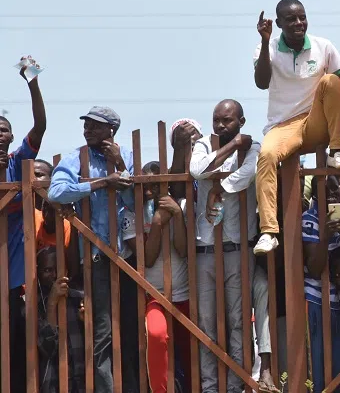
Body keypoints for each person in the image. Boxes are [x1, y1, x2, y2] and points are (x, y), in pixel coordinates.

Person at [254, 0, 340, 255]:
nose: (299, 23)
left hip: (314, 123)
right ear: (278, 24)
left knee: (332, 81)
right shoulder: (268, 47)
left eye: (302, 17)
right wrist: (265, 41)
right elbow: (262, 82)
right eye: (291, 19)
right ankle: (269, 232)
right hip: (283, 127)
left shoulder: (324, 47)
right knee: (265, 155)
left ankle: (336, 151)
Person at [189, 99, 277, 393]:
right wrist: (231, 145)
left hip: (238, 250)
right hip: (204, 252)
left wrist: (218, 188)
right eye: (217, 120)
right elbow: (197, 171)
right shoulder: (203, 144)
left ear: (241, 120)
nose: (220, 126)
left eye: (227, 121)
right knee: (205, 325)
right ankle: (211, 387)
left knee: (238, 323)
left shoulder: (253, 149)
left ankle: (238, 384)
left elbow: (246, 176)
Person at [50, 106, 135, 393]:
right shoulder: (77, 158)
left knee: (131, 328)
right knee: (103, 333)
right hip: (97, 256)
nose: (88, 130)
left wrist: (120, 164)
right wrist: (101, 183)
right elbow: (56, 192)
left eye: (95, 126)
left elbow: (137, 204)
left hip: (127, 256)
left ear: (111, 131)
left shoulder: (128, 157)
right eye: (86, 125)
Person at [121, 161, 191, 393]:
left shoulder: (180, 205)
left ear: (167, 184)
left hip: (185, 292)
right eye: (144, 186)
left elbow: (183, 250)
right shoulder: (130, 216)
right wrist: (159, 223)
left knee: (190, 351)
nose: (149, 192)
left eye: (155, 186)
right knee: (157, 336)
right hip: (153, 296)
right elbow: (147, 259)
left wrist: (178, 216)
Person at [2, 59, 46, 393]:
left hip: (16, 280)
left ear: (11, 135)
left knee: (18, 351)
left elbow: (41, 126)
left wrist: (31, 82)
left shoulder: (19, 162)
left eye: (2, 129)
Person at [302, 175, 340, 393]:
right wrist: (326, 236)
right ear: (314, 196)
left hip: (335, 302)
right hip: (314, 301)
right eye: (326, 192)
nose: (332, 196)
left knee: (339, 370)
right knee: (318, 371)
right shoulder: (309, 219)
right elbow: (313, 267)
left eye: (335, 192)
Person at [33, 247, 86, 393]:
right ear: (37, 274)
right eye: (47, 270)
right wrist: (51, 303)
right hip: (53, 385)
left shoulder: (78, 299)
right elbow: (47, 348)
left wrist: (86, 323)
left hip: (81, 384)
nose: (54, 275)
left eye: (58, 270)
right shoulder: (32, 306)